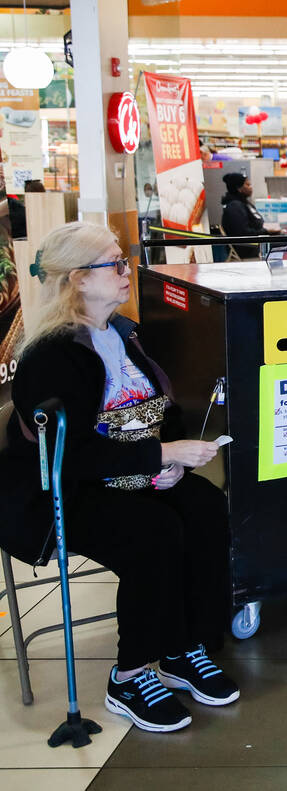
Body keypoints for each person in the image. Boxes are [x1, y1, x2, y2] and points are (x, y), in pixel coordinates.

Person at [0, 222, 236, 734]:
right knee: (153, 532)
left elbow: (158, 412)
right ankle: (128, 675)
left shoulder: (124, 334)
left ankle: (182, 646)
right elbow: (70, 458)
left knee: (205, 507)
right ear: (79, 279)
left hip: (133, 474)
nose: (127, 272)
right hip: (66, 492)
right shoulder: (50, 356)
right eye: (115, 264)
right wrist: (160, 455)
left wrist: (168, 461)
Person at [219, 172, 279, 259]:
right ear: (239, 188)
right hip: (248, 247)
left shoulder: (244, 203)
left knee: (283, 237)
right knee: (285, 243)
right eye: (247, 184)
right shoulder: (234, 207)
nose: (251, 187)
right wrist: (266, 231)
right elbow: (243, 233)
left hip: (257, 241)